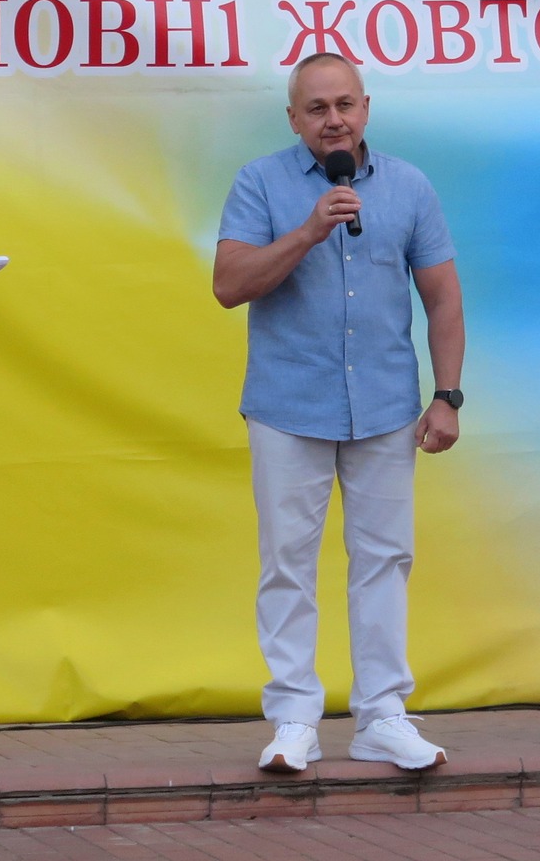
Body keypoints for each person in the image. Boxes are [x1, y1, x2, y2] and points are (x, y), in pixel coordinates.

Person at [213, 52, 466, 775]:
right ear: (294, 118)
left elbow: (442, 297)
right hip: (288, 405)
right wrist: (307, 232)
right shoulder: (260, 182)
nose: (334, 121)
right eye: (318, 109)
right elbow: (229, 285)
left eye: (345, 105)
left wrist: (447, 395)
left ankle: (382, 716)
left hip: (386, 406)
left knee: (385, 560)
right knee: (287, 564)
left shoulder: (409, 186)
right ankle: (294, 718)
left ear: (366, 109)